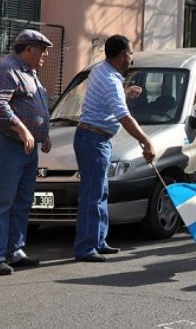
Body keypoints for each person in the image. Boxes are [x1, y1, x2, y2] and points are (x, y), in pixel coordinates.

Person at [73, 35, 156, 262]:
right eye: (131, 54)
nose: (132, 58)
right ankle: (85, 247)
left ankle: (98, 241)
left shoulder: (104, 70)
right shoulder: (110, 79)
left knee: (101, 192)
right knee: (92, 194)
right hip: (93, 139)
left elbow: (109, 102)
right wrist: (146, 140)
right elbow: (123, 116)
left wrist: (125, 93)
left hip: (96, 138)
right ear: (122, 55)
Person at [0, 30, 53, 275]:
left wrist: (44, 134)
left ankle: (15, 251)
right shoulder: (6, 68)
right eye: (42, 49)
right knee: (0, 201)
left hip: (25, 147)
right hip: (4, 144)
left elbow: (34, 105)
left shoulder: (29, 72)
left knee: (22, 201)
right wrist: (23, 130)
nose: (45, 54)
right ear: (28, 49)